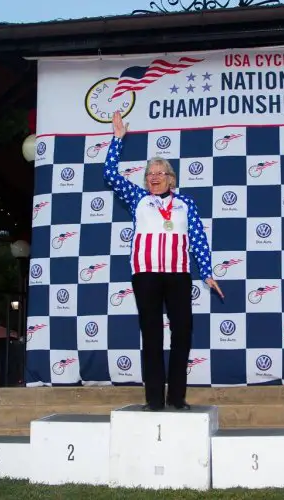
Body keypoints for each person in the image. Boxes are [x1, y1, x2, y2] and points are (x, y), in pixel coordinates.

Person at [103, 111, 224, 411]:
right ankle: (154, 400)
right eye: (149, 174)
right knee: (152, 335)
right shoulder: (137, 198)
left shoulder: (186, 204)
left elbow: (197, 237)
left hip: (178, 276)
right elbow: (109, 174)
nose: (154, 177)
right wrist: (118, 140)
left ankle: (177, 397)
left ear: (171, 179)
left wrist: (206, 271)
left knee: (182, 333)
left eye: (160, 173)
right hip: (145, 275)